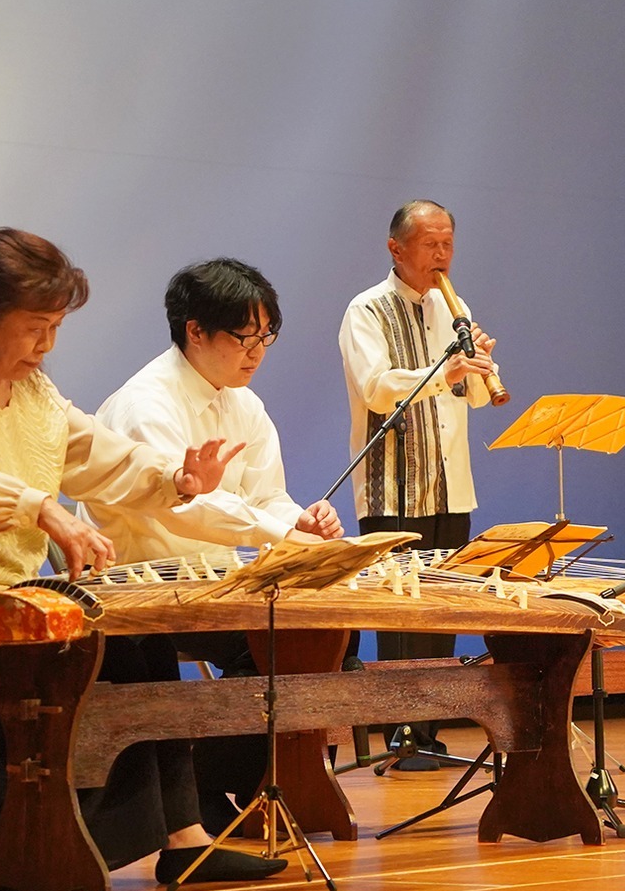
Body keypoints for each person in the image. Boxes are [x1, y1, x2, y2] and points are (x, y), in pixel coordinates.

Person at [0, 228, 285, 885]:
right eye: (35, 326)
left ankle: (184, 836)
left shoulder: (37, 395)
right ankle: (21, 839)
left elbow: (105, 459)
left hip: (1, 592)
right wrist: (38, 507)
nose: (46, 344)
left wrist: (178, 480)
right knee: (47, 658)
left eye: (55, 327)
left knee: (133, 638)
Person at [85, 257, 345, 829]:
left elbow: (266, 497)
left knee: (326, 640)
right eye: (243, 336)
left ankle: (212, 786)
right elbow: (185, 511)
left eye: (266, 336)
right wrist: (279, 529)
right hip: (141, 588)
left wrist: (301, 520)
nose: (256, 351)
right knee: (286, 650)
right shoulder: (145, 404)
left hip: (215, 585)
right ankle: (197, 794)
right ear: (194, 330)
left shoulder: (243, 403)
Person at [337, 200, 499, 767]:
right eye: (431, 244)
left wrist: (480, 367)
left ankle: (428, 730)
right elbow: (378, 389)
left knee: (442, 610)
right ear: (396, 248)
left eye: (448, 244)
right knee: (401, 614)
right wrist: (445, 371)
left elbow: (473, 398)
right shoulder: (366, 310)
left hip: (450, 482)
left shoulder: (450, 309)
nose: (442, 256)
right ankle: (400, 734)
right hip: (393, 485)